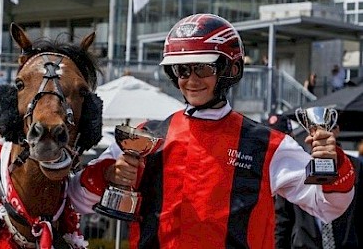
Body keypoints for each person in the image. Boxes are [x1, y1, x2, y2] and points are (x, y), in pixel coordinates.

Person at [70, 14, 355, 248]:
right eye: (181, 70)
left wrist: (335, 164)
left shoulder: (270, 144)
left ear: (230, 68)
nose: (191, 80)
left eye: (202, 68)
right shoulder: (144, 137)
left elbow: (329, 207)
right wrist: (108, 174)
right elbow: (76, 200)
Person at [275, 125, 363, 248]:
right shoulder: (296, 167)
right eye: (314, 128)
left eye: (328, 126)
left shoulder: (355, 166)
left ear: (337, 130)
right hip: (305, 244)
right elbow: (282, 220)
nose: (321, 132)